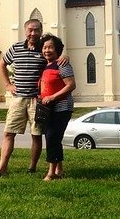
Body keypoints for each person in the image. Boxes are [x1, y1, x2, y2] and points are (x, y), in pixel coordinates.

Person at [0, 19, 67, 177]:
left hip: (37, 99)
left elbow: (55, 55)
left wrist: (63, 56)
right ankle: (2, 168)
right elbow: (1, 64)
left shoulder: (44, 48)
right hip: (18, 98)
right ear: (25, 30)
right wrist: (8, 85)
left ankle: (32, 167)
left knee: (36, 135)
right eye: (30, 30)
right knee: (8, 133)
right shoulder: (16, 48)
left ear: (41, 31)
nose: (33, 33)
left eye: (36, 30)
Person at [39, 34, 75, 181]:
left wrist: (53, 97)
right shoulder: (45, 65)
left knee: (52, 138)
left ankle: (51, 173)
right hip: (48, 109)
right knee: (54, 138)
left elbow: (71, 85)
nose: (47, 50)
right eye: (45, 47)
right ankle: (59, 170)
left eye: (50, 47)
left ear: (57, 49)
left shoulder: (62, 64)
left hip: (61, 108)